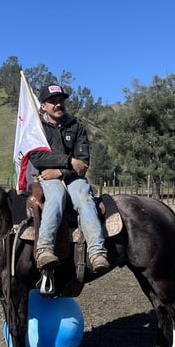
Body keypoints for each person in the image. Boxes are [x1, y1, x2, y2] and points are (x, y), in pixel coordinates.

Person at [28, 84, 110, 274]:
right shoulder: (38, 130)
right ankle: (44, 249)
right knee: (55, 198)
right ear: (43, 106)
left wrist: (60, 172)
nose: (58, 104)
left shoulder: (76, 127)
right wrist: (68, 161)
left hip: (72, 177)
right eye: (53, 101)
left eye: (61, 100)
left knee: (84, 199)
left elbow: (83, 164)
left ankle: (97, 252)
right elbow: (37, 157)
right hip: (47, 177)